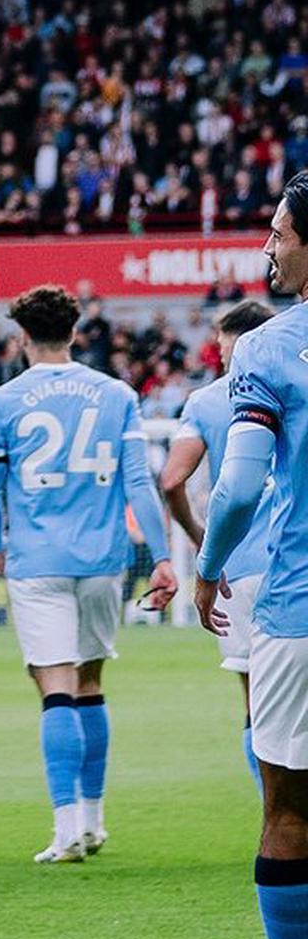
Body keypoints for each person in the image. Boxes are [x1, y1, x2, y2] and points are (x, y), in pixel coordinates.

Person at [0, 285, 177, 864]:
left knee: (55, 689)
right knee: (90, 684)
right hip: (102, 561)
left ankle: (66, 830)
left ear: (22, 337)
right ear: (74, 333)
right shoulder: (116, 394)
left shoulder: (4, 401)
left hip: (38, 561)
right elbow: (140, 484)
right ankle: (93, 820)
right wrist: (163, 556)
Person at [194, 175, 308, 939]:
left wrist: (208, 568)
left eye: (278, 232)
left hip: (299, 608)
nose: (268, 248)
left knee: (289, 807)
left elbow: (236, 486)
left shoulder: (268, 348)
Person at [161, 299, 276, 792]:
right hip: (296, 559)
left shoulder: (208, 400)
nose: (220, 350)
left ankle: (276, 817)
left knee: (258, 704)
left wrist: (202, 540)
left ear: (238, 340)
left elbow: (172, 480)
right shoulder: (297, 383)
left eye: (222, 339)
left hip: (239, 568)